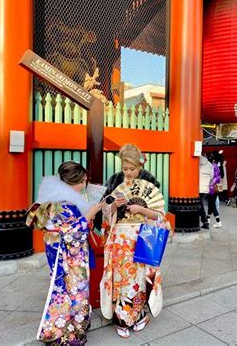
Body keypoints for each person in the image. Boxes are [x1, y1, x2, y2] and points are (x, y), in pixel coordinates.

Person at [26, 161, 104, 344]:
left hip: (62, 248)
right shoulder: (62, 202)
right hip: (66, 251)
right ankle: (63, 332)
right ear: (77, 181)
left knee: (71, 287)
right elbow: (72, 231)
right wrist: (90, 214)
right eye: (84, 180)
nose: (85, 184)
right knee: (69, 288)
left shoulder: (60, 196)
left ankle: (78, 324)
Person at [100, 143, 169, 338]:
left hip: (141, 238)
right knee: (120, 280)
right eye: (125, 169)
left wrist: (142, 210)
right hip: (120, 241)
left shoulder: (149, 185)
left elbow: (159, 216)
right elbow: (106, 215)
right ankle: (120, 319)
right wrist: (113, 206)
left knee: (139, 279)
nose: (128, 173)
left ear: (140, 168)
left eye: (132, 169)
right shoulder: (115, 184)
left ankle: (139, 315)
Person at [207, 153, 222, 228]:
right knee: (211, 204)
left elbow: (215, 178)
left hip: (211, 189)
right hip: (215, 189)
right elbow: (218, 177)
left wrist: (210, 184)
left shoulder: (210, 167)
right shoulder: (216, 166)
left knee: (212, 205)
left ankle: (218, 221)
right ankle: (208, 219)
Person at [199, 153, 213, 229]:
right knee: (200, 203)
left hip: (197, 187)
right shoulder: (210, 164)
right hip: (205, 188)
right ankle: (204, 221)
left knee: (199, 205)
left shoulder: (196, 162)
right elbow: (212, 177)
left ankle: (205, 221)